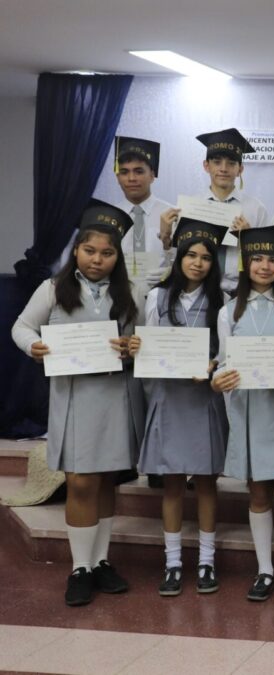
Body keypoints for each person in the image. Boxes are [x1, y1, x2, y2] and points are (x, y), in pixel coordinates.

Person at [12, 199, 143, 607]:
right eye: (89, 251)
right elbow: (21, 326)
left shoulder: (131, 291)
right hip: (74, 398)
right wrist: (34, 345)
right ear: (76, 250)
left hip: (115, 397)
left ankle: (101, 561)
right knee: (81, 481)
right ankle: (79, 567)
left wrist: (134, 345)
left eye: (107, 253)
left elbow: (143, 341)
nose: (97, 260)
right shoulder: (53, 288)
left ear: (118, 256)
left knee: (105, 480)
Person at [210, 225, 274, 602]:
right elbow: (223, 362)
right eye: (257, 259)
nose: (265, 266)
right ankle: (265, 569)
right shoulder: (228, 312)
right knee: (257, 494)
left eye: (272, 259)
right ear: (245, 264)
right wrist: (219, 379)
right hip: (250, 411)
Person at [127, 218, 229, 596]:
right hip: (169, 399)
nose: (198, 263)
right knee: (171, 484)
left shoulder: (222, 301)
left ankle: (206, 561)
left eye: (205, 257)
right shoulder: (157, 297)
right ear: (179, 257)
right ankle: (172, 563)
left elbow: (226, 352)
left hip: (204, 399)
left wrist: (214, 365)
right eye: (191, 255)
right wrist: (141, 349)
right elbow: (147, 345)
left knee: (205, 484)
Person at [160, 128, 269, 293]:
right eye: (217, 162)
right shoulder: (190, 208)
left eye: (231, 163)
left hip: (241, 292)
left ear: (240, 169)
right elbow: (177, 258)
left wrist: (249, 241)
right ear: (206, 166)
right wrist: (166, 238)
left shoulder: (256, 209)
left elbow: (267, 260)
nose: (223, 169)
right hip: (200, 291)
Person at [113, 136, 172, 296]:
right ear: (117, 177)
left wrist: (172, 272)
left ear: (152, 175)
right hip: (117, 298)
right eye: (124, 172)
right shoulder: (109, 217)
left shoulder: (172, 215)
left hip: (160, 297)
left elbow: (187, 259)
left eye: (139, 171)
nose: (131, 178)